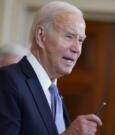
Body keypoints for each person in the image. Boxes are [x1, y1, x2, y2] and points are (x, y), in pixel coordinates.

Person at [0, 1, 102, 135]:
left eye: (80, 40)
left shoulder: (54, 93)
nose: (77, 49)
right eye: (69, 36)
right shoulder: (7, 80)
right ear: (41, 36)